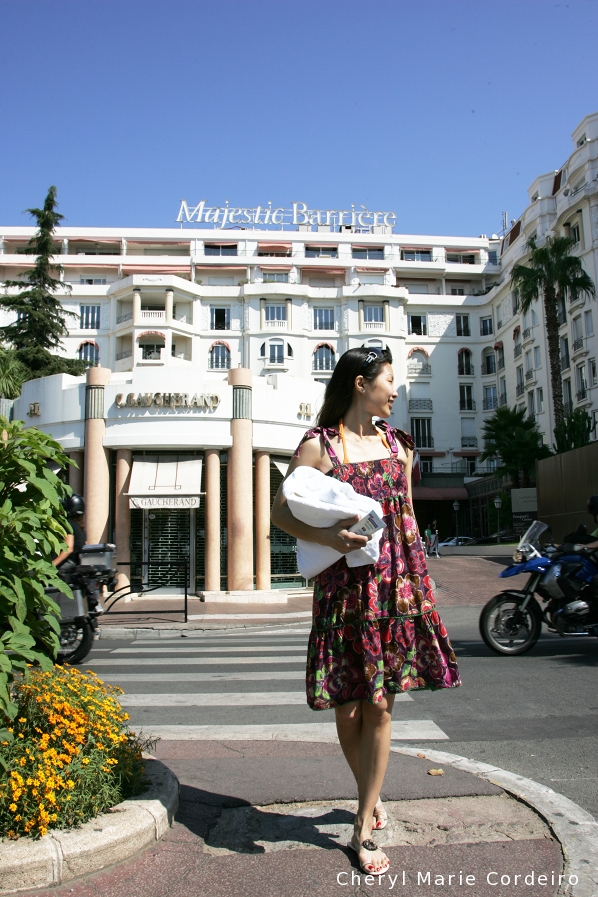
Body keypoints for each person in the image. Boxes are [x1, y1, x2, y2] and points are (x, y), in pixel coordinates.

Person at [271, 347, 460, 878]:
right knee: (349, 708)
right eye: (389, 382)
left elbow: (409, 520)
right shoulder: (319, 445)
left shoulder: (397, 445)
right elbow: (279, 512)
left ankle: (360, 823)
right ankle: (370, 796)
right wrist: (328, 536)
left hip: (396, 586)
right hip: (343, 588)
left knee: (380, 705)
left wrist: (423, 584)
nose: (396, 391)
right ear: (360, 383)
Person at [53, 494, 86, 569]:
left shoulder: (68, 525)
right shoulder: (81, 528)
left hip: (65, 568)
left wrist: (52, 566)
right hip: (75, 568)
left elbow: (68, 549)